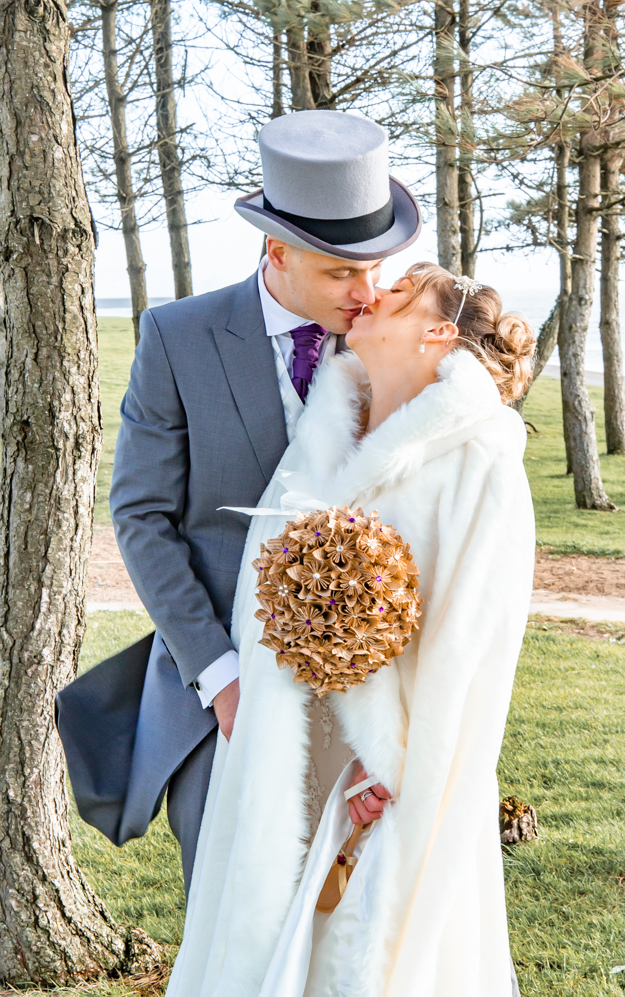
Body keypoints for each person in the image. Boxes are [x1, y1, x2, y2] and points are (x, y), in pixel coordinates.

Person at [55, 109, 421, 896]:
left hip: (373, 707)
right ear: (277, 251)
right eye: (340, 272)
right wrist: (221, 680)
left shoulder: (398, 341)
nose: (367, 293)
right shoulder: (176, 337)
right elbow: (142, 517)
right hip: (222, 699)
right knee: (235, 924)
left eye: (379, 266)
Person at [165, 262, 536, 997]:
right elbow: (262, 586)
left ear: (437, 332)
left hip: (387, 761)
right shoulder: (322, 432)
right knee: (257, 930)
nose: (370, 296)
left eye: (396, 294)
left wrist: (398, 763)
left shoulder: (481, 452)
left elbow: (472, 639)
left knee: (358, 953)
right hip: (281, 741)